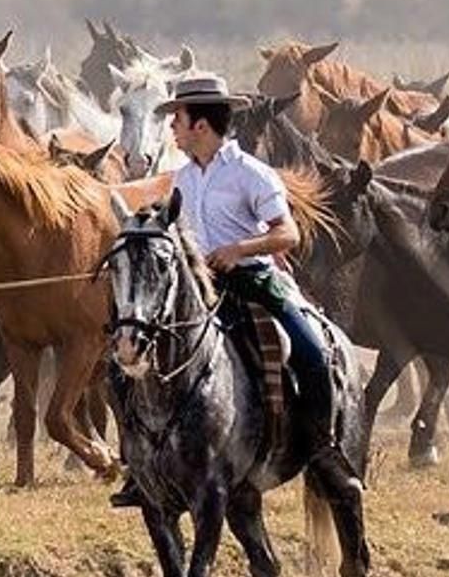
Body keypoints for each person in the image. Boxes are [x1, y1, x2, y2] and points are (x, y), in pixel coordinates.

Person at [109, 73, 331, 508]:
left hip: (255, 280)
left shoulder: (253, 174)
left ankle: (322, 448)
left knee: (308, 350)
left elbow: (286, 234)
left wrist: (239, 249)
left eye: (177, 118)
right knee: (120, 366)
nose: (171, 127)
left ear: (201, 125)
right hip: (200, 289)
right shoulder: (182, 180)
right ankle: (141, 468)